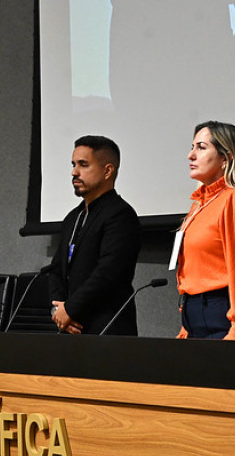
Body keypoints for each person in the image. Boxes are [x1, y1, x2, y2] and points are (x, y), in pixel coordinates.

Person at [173, 121, 235, 340]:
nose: (191, 155)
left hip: (225, 319)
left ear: (226, 158)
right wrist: (186, 325)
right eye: (192, 147)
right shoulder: (199, 204)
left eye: (201, 147)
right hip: (196, 318)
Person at [49, 135, 141, 335]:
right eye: (73, 164)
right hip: (70, 327)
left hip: (107, 329)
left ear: (108, 170)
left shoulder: (120, 215)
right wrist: (59, 310)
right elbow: (56, 270)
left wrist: (71, 310)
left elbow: (108, 274)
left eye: (83, 165)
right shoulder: (73, 217)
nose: (74, 172)